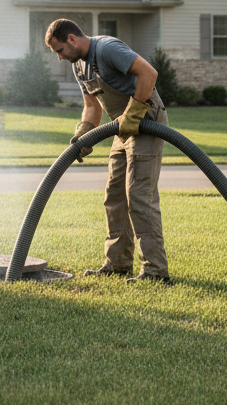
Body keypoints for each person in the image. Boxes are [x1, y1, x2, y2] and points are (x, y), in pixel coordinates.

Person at [44, 18, 172, 285]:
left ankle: (155, 270)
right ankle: (117, 263)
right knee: (114, 196)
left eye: (59, 50)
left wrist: (133, 114)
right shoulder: (79, 65)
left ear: (71, 39)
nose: (59, 58)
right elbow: (92, 106)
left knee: (139, 196)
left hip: (145, 120)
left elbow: (149, 74)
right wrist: (84, 133)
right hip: (121, 127)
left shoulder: (107, 48)